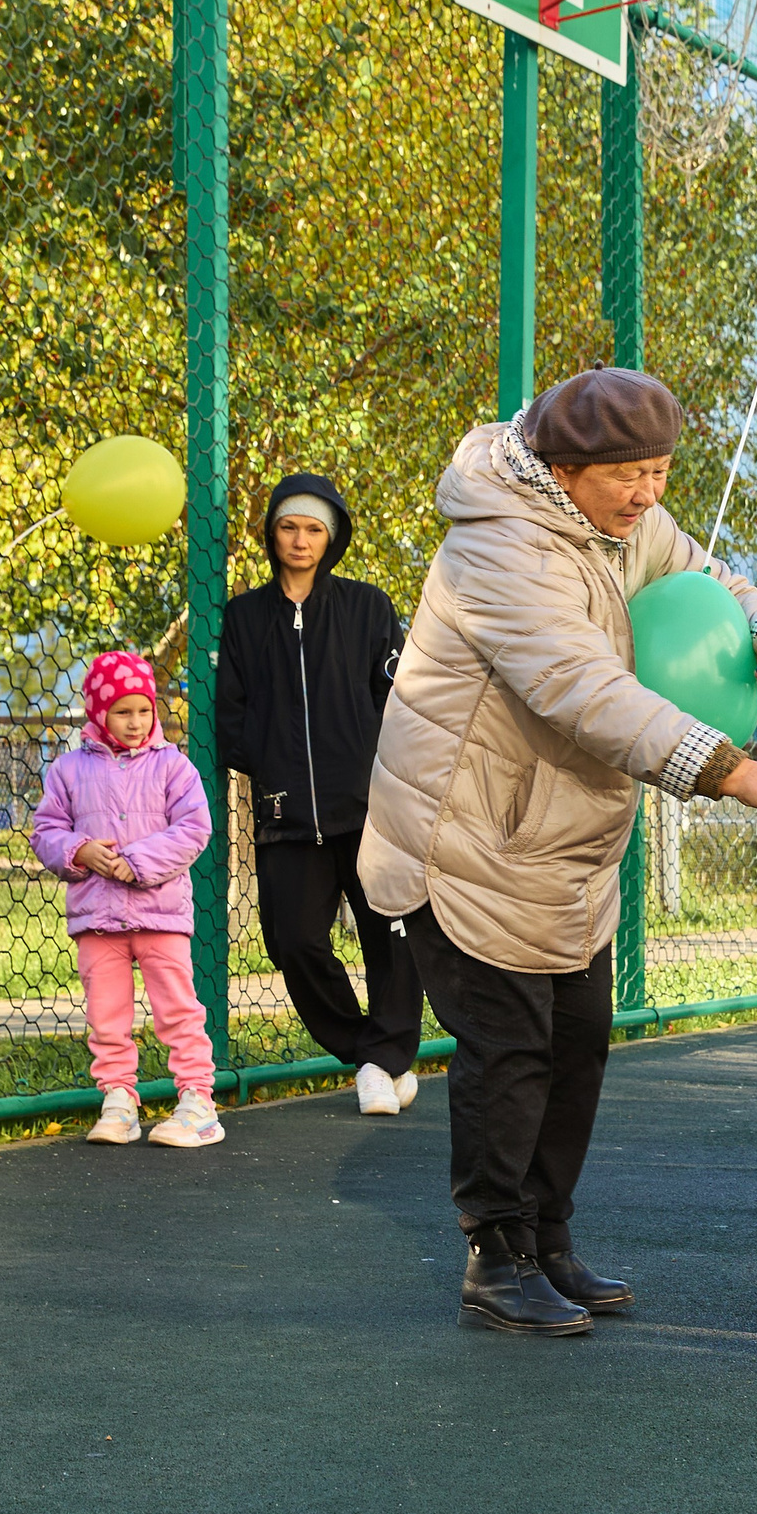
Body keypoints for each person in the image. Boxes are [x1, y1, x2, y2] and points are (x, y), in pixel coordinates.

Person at [360, 367, 757, 1337]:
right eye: (630, 475)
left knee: (577, 1045)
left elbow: (700, 573)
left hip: (561, 841)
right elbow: (579, 689)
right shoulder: (498, 548)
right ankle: (496, 1255)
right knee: (511, 1050)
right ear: (566, 469)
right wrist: (733, 771)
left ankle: (549, 1239)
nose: (649, 493)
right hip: (470, 839)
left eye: (659, 470)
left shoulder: (616, 524)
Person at [218, 473, 426, 1117]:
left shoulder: (367, 608)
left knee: (391, 936)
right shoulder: (245, 617)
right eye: (289, 526)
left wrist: (378, 773)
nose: (300, 540)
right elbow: (233, 712)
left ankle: (383, 1059)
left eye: (313, 529)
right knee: (293, 942)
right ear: (271, 533)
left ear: (331, 537)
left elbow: (398, 701)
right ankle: (374, 1052)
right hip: (286, 814)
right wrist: (270, 762)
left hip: (370, 810)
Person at [32, 652, 220, 1150]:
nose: (135, 722)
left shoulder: (171, 766)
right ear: (98, 712)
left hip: (159, 913)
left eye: (143, 710)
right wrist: (80, 851)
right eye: (122, 712)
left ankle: (198, 1100)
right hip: (97, 916)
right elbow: (46, 830)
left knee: (178, 1009)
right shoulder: (69, 770)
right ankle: (118, 1097)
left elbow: (194, 828)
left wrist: (137, 861)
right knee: (106, 1013)